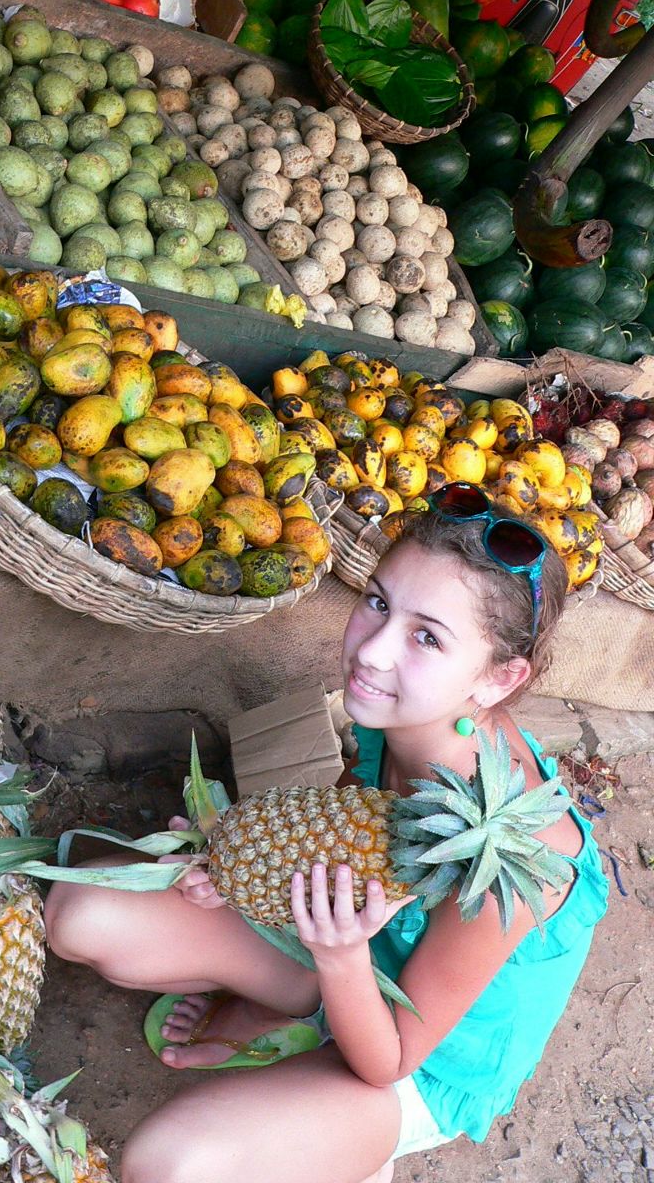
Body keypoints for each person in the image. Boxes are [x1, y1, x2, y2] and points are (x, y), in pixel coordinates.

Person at [44, 483, 609, 1183]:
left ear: (499, 679)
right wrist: (236, 861)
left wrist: (340, 958)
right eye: (378, 602)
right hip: (348, 942)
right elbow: (337, 837)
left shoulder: (506, 856)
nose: (372, 651)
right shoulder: (401, 720)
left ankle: (352, 1142)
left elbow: (394, 1057)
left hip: (420, 1059)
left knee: (170, 1166)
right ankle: (292, 1018)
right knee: (80, 913)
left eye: (426, 636)